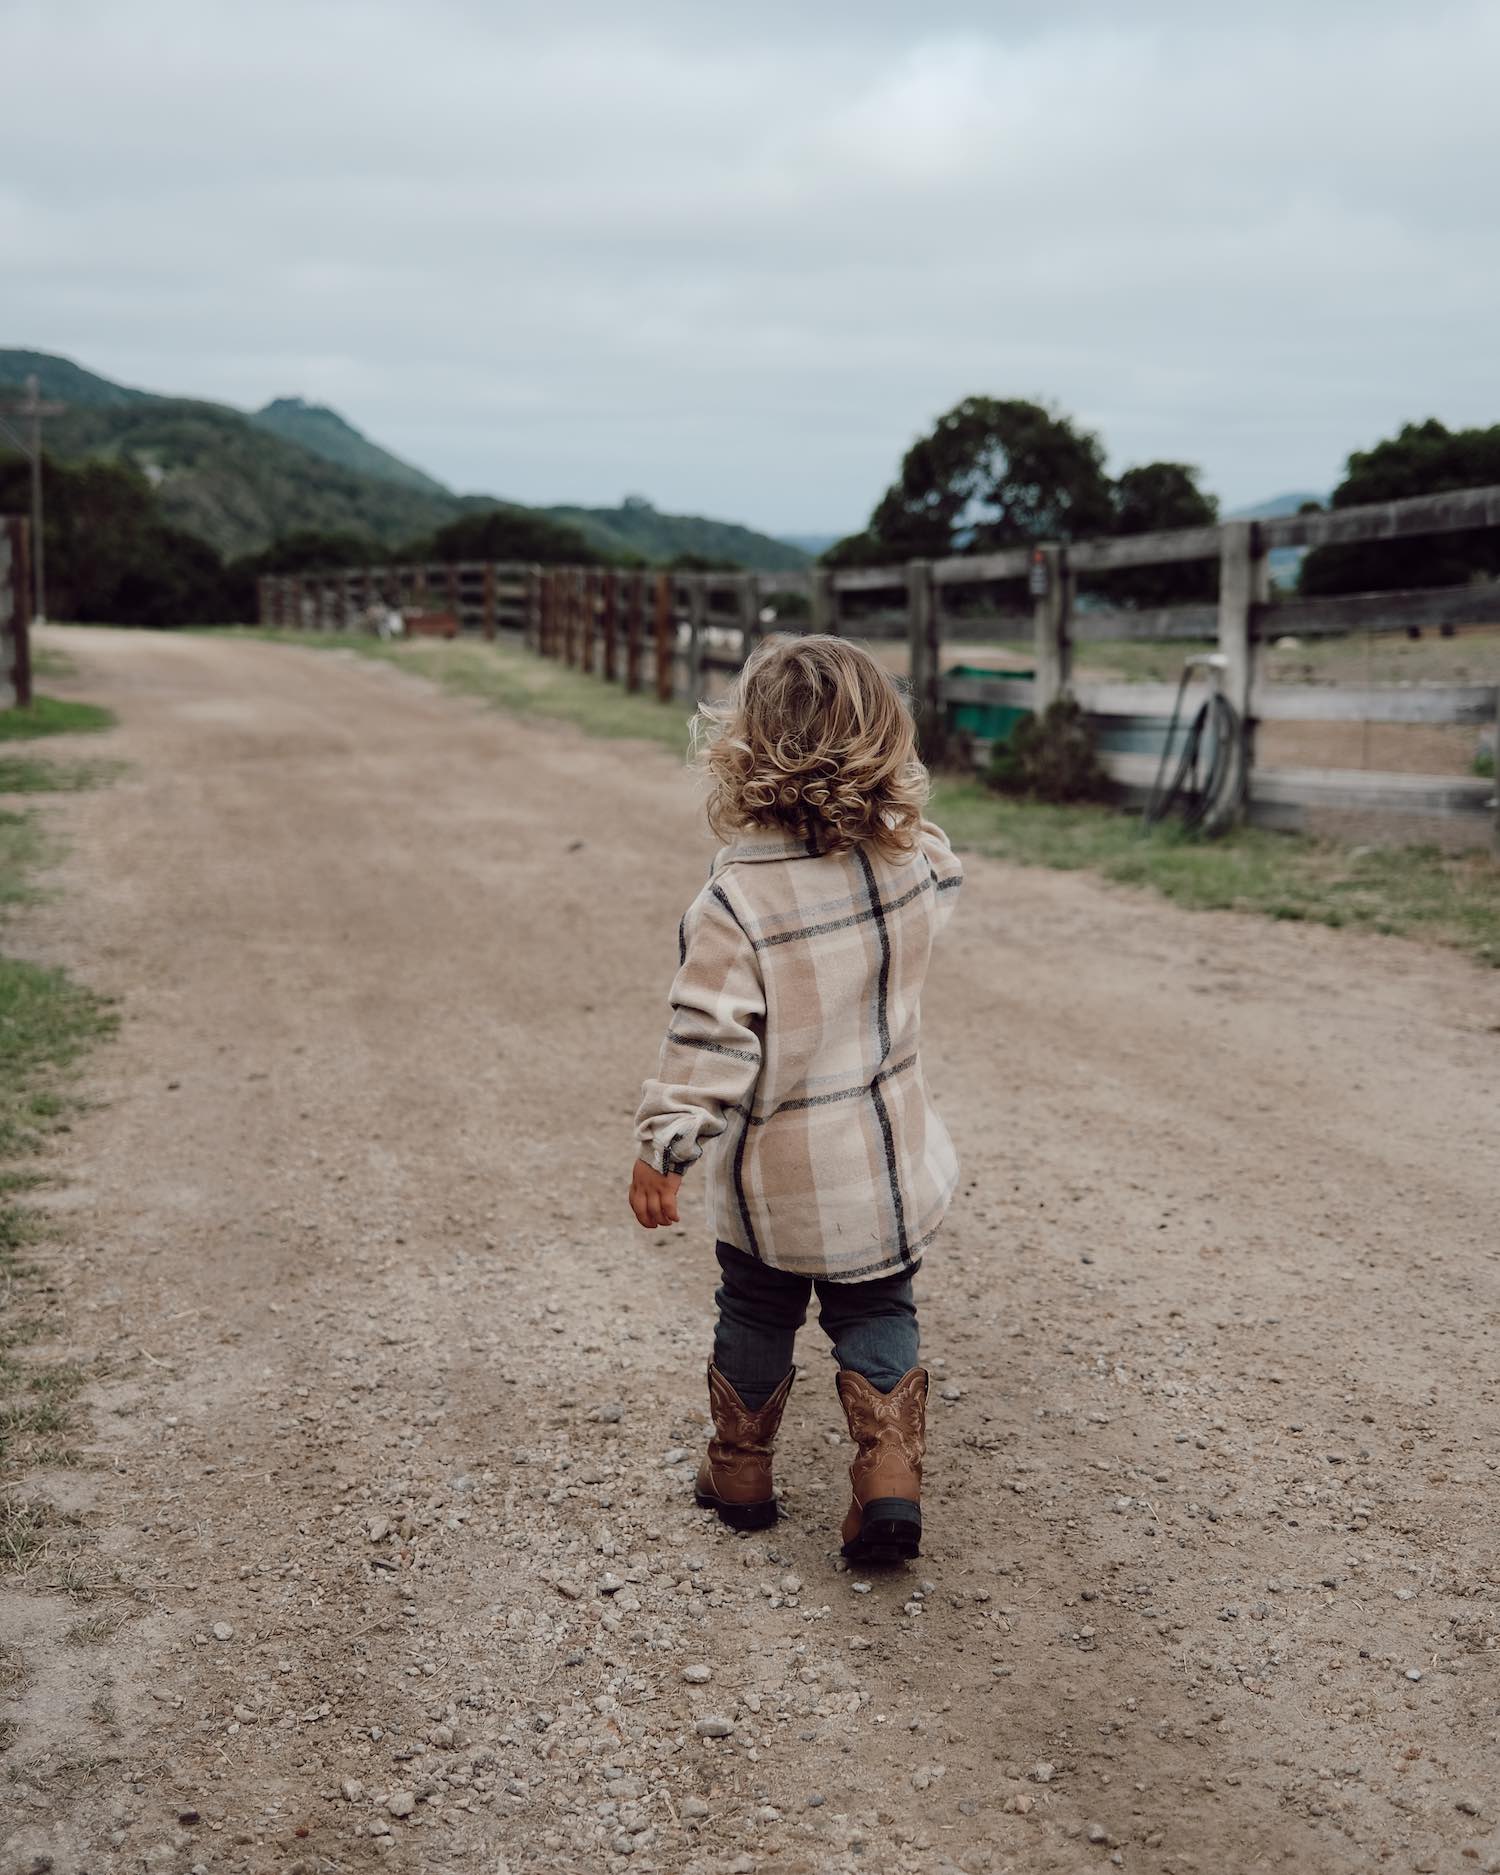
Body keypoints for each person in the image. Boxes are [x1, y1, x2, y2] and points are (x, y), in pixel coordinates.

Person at [629, 635, 962, 1565]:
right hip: (881, 1171)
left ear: (741, 751)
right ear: (887, 745)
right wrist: (890, 812)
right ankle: (888, 1471)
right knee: (878, 1308)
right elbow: (942, 859)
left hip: (775, 1186)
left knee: (757, 1310)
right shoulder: (911, 868)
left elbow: (707, 1035)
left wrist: (665, 1145)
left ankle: (740, 1469)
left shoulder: (736, 900)